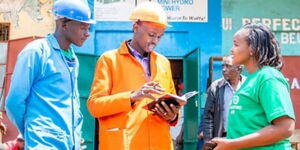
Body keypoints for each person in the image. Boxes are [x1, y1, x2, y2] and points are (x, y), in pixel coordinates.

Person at [87, 1, 180, 150]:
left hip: (160, 144)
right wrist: (131, 97)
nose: (155, 41)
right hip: (124, 144)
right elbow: (94, 106)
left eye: (159, 37)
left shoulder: (163, 63)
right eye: (151, 35)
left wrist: (172, 115)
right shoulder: (110, 60)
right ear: (135, 27)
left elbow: (173, 103)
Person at [5, 0, 95, 149]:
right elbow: (14, 102)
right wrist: (31, 131)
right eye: (83, 27)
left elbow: (70, 104)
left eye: (89, 28)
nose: (87, 34)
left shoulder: (72, 58)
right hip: (43, 144)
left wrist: (74, 135)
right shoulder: (36, 52)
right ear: (64, 24)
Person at [212, 23, 295, 150]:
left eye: (236, 44)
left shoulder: (268, 77)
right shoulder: (251, 79)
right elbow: (250, 127)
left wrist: (232, 144)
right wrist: (230, 141)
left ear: (253, 48)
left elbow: (285, 128)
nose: (231, 49)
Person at [201, 56, 245, 142]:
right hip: (223, 138)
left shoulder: (248, 86)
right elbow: (208, 117)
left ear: (239, 69)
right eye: (223, 66)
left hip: (244, 137)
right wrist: (208, 141)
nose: (224, 70)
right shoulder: (216, 87)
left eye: (228, 66)